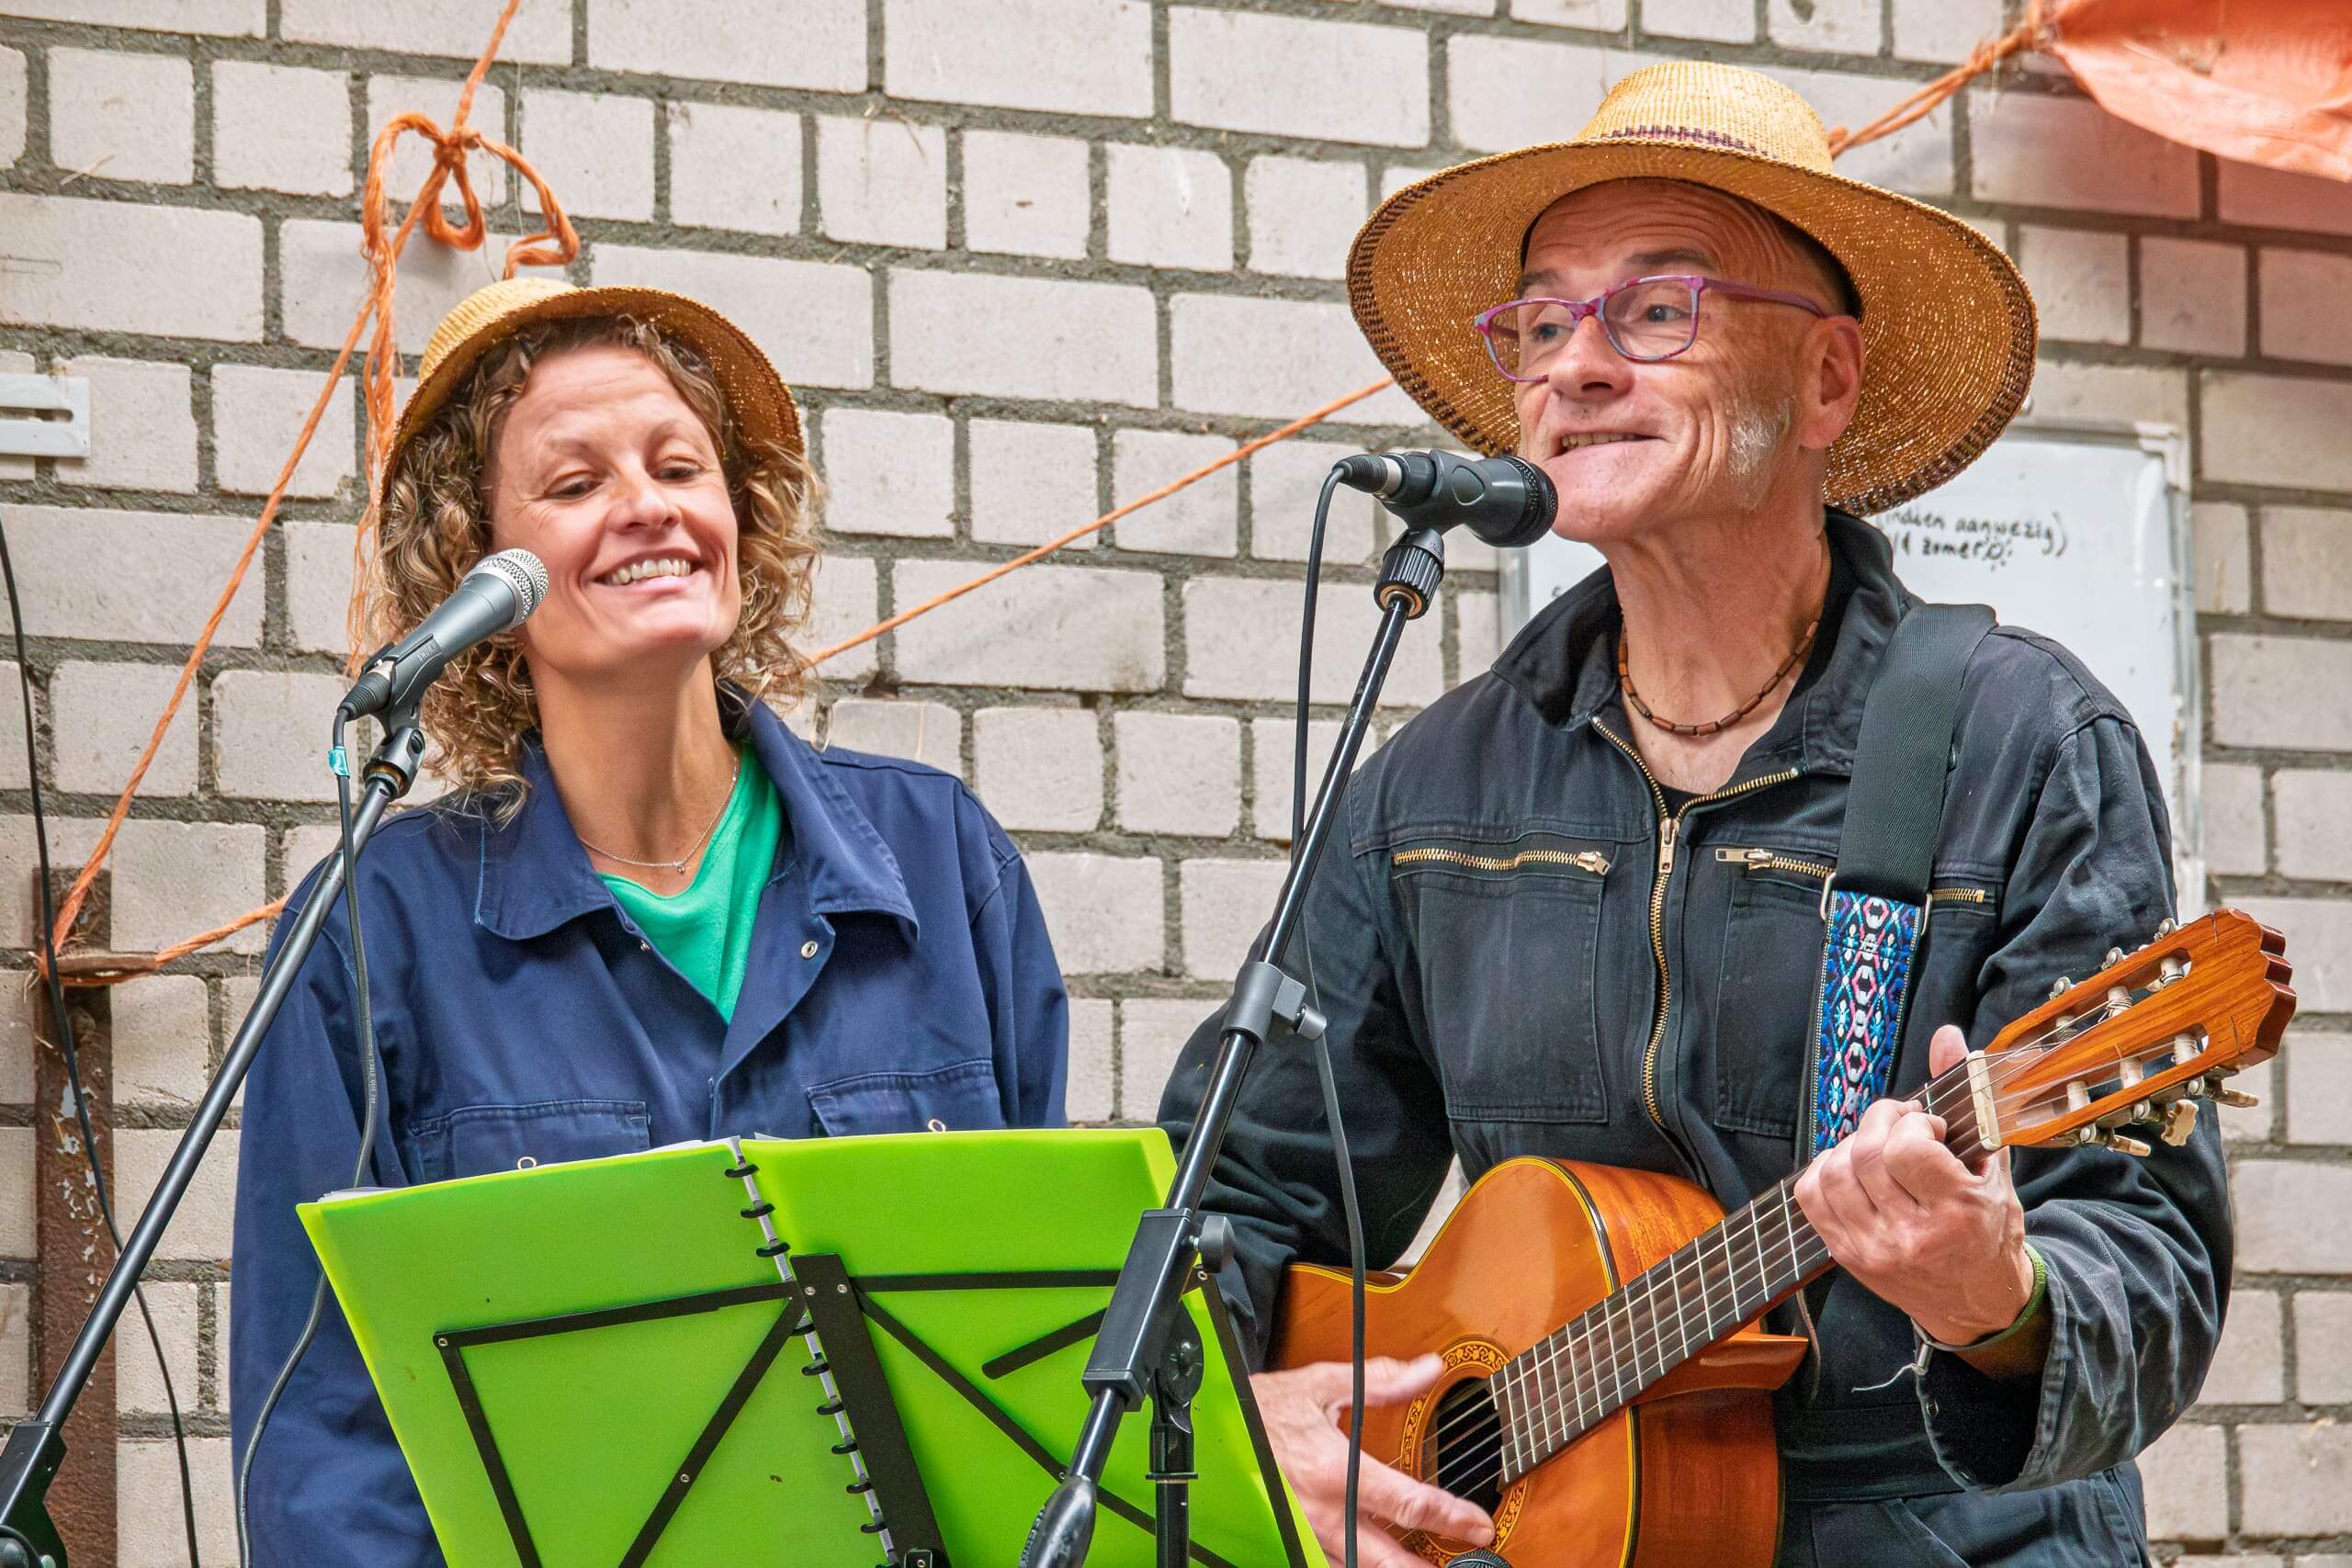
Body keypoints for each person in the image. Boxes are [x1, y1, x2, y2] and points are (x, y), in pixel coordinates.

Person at [1161, 62, 2219, 1566]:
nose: (1576, 366)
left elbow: (2149, 1272)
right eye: (1543, 319)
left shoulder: (2018, 742)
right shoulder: (1438, 783)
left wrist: (2005, 1299)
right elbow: (1240, 1187)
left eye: (1658, 311)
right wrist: (1234, 1411)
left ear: (1829, 380)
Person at [230, 276, 1069, 1563]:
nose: (649, 508)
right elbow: (325, 1455)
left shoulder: (942, 865)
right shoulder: (370, 928)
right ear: (477, 575)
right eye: (573, 486)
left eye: (682, 466)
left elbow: (1047, 1339)